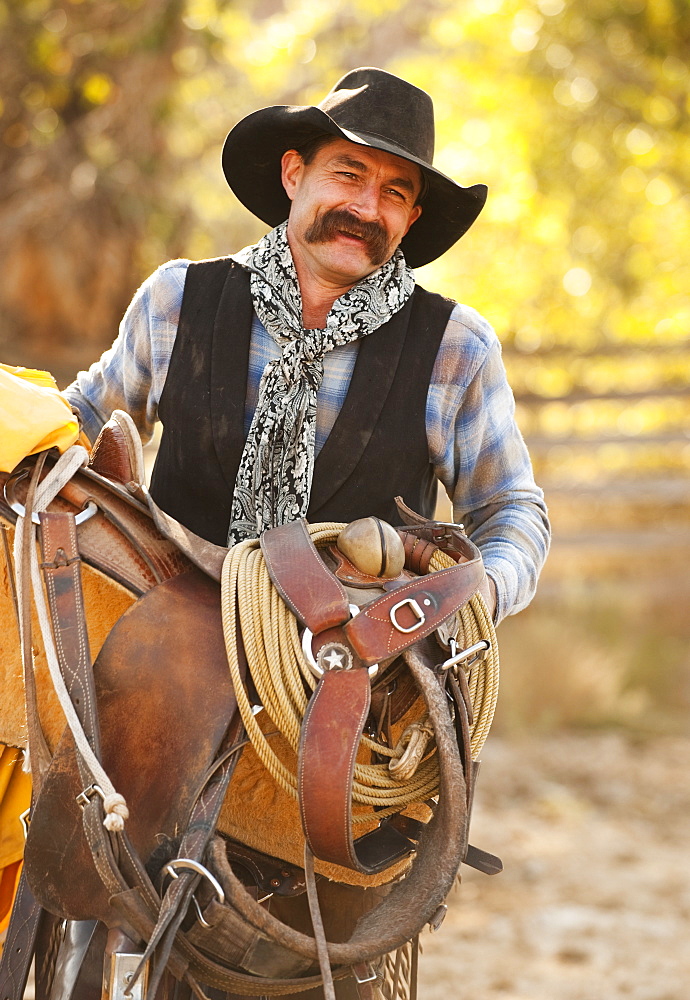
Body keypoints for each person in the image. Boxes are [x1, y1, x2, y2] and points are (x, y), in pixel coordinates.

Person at [63, 67, 550, 997]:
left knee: (313, 958)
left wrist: (470, 594)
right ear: (294, 175)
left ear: (409, 219)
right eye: (347, 176)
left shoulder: (454, 347)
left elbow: (512, 512)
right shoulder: (178, 302)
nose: (366, 208)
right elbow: (87, 426)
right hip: (165, 660)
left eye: (394, 193)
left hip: (346, 678)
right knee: (110, 897)